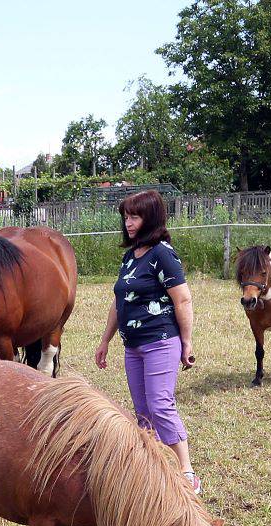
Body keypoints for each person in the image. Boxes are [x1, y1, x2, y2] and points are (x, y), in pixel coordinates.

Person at [93, 191, 201, 493]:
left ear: (150, 218)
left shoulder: (162, 253)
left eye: (135, 216)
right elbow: (119, 301)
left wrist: (187, 343)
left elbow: (183, 299)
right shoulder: (131, 256)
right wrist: (105, 340)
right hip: (134, 346)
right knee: (142, 412)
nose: (128, 223)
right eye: (126, 216)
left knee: (160, 404)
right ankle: (152, 470)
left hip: (161, 342)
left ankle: (186, 471)